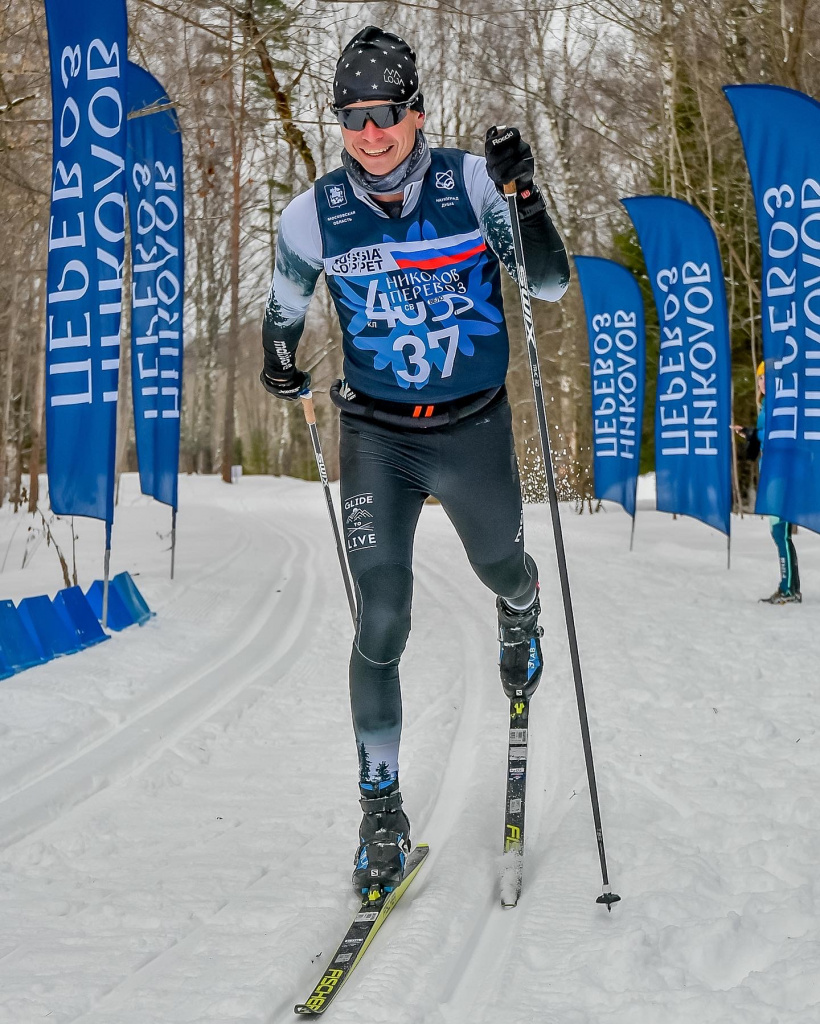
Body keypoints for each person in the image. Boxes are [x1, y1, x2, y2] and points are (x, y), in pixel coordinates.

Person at [260, 25, 570, 894]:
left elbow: (546, 284)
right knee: (382, 621)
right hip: (377, 438)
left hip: (470, 427)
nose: (371, 133)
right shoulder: (312, 213)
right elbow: (282, 307)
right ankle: (381, 813)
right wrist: (278, 359)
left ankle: (522, 607)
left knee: (502, 564)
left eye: (385, 112)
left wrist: (525, 194)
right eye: (353, 118)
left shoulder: (471, 182)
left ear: (416, 111)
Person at [734, 361, 801, 604]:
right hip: (772, 472)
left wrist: (754, 433)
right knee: (779, 531)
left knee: (779, 530)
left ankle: (789, 589)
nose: (761, 382)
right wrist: (749, 433)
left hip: (780, 473)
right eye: (760, 378)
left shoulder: (780, 404)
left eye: (765, 378)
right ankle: (790, 586)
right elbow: (766, 434)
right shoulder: (766, 405)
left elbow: (779, 433)